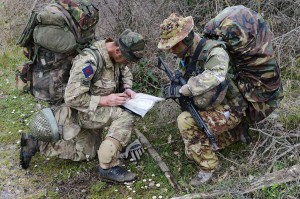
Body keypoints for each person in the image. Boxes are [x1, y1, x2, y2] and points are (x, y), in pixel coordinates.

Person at [157, 13, 283, 187]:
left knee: (185, 122)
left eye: (173, 45)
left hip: (232, 108)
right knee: (191, 150)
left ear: (185, 40)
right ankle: (238, 133)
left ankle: (210, 168)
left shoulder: (214, 51)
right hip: (215, 106)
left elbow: (215, 74)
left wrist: (187, 88)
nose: (170, 50)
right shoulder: (186, 57)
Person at [20, 29, 145, 183]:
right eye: (128, 60)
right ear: (118, 50)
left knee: (88, 152)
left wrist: (127, 88)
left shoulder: (116, 56)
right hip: (80, 112)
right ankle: (108, 168)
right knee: (125, 116)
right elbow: (72, 97)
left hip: (95, 110)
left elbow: (124, 71)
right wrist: (105, 100)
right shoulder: (89, 62)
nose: (128, 64)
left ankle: (35, 143)